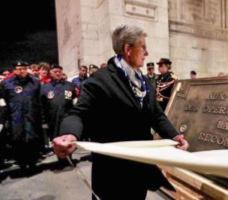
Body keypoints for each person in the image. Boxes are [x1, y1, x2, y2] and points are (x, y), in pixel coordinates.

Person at [52, 25, 188, 200]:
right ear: (128, 49)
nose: (147, 53)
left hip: (140, 169)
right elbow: (78, 113)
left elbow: (156, 115)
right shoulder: (101, 80)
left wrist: (175, 136)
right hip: (112, 175)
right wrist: (69, 134)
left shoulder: (144, 80)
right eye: (143, 47)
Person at [0, 61, 43, 169]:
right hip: (15, 116)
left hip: (31, 115)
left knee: (31, 138)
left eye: (23, 68)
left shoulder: (35, 82)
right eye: (18, 68)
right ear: (14, 70)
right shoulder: (7, 83)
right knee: (17, 138)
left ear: (27, 69)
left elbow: (39, 100)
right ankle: (21, 162)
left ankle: (33, 161)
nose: (21, 71)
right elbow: (3, 101)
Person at [41, 65, 77, 141]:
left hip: (66, 118)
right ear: (50, 73)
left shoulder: (69, 86)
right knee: (55, 141)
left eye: (59, 72)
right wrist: (44, 122)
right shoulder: (45, 88)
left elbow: (69, 100)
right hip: (52, 119)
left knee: (67, 141)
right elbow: (43, 106)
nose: (58, 73)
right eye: (55, 72)